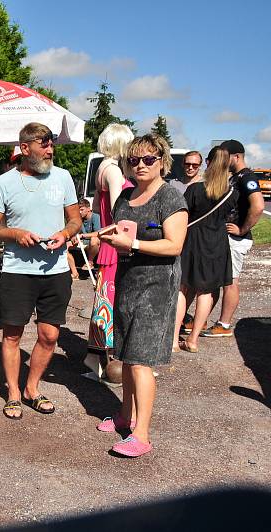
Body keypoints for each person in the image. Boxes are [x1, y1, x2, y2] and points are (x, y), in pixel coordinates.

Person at [97, 133, 188, 457]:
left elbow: (174, 245)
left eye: (148, 159)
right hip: (127, 282)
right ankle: (125, 416)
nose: (140, 165)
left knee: (141, 361)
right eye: (133, 160)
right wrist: (102, 237)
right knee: (125, 354)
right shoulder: (125, 197)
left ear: (162, 161)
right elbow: (120, 234)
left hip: (157, 288)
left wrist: (132, 245)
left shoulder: (170, 198)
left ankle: (142, 434)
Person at [0, 122, 81, 420]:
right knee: (12, 335)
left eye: (51, 143)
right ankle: (13, 392)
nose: (50, 149)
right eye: (44, 143)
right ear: (25, 148)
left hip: (56, 270)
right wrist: (14, 234)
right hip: (17, 271)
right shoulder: (4, 182)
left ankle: (31, 389)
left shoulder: (63, 178)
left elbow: (75, 220)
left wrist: (65, 233)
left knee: (49, 335)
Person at [173, 146, 237, 352]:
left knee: (183, 289)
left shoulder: (195, 189)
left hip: (192, 241)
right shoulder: (232, 194)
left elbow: (184, 216)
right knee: (206, 292)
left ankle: (174, 340)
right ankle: (193, 340)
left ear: (207, 163)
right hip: (217, 243)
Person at [201, 139, 264, 338]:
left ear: (236, 157)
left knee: (231, 281)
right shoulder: (236, 177)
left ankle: (224, 324)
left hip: (236, 239)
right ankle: (207, 321)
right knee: (222, 279)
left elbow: (258, 205)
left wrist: (242, 229)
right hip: (227, 237)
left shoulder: (246, 177)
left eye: (225, 156)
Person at [88, 123, 134, 356]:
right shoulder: (114, 171)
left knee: (104, 299)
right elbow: (120, 210)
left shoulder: (101, 168)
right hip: (117, 242)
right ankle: (112, 357)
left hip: (108, 241)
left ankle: (95, 357)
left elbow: (97, 207)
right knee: (114, 301)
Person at [66, 198, 101, 279]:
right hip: (81, 242)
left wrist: (82, 236)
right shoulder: (79, 219)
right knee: (64, 247)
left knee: (94, 239)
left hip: (92, 244)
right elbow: (75, 232)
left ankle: (90, 262)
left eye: (82, 209)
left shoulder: (95, 217)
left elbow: (98, 233)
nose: (80, 212)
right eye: (79, 210)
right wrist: (73, 237)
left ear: (89, 209)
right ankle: (75, 273)